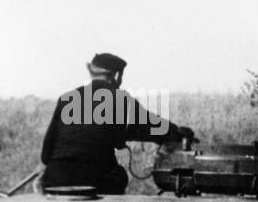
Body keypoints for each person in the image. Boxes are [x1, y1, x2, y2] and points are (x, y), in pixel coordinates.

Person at [41, 53, 195, 194]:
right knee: (119, 176)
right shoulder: (120, 99)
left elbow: (46, 154)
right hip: (92, 180)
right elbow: (151, 126)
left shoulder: (67, 98)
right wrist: (177, 133)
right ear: (116, 75)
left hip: (54, 180)